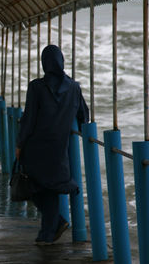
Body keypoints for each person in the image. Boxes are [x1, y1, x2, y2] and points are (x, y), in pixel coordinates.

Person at [16, 45, 89, 245]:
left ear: (44, 63)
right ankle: (52, 227)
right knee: (50, 187)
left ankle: (50, 230)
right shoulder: (74, 87)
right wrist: (81, 130)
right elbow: (84, 115)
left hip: (35, 147)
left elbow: (28, 119)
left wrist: (20, 144)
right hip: (59, 149)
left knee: (34, 185)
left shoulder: (36, 86)